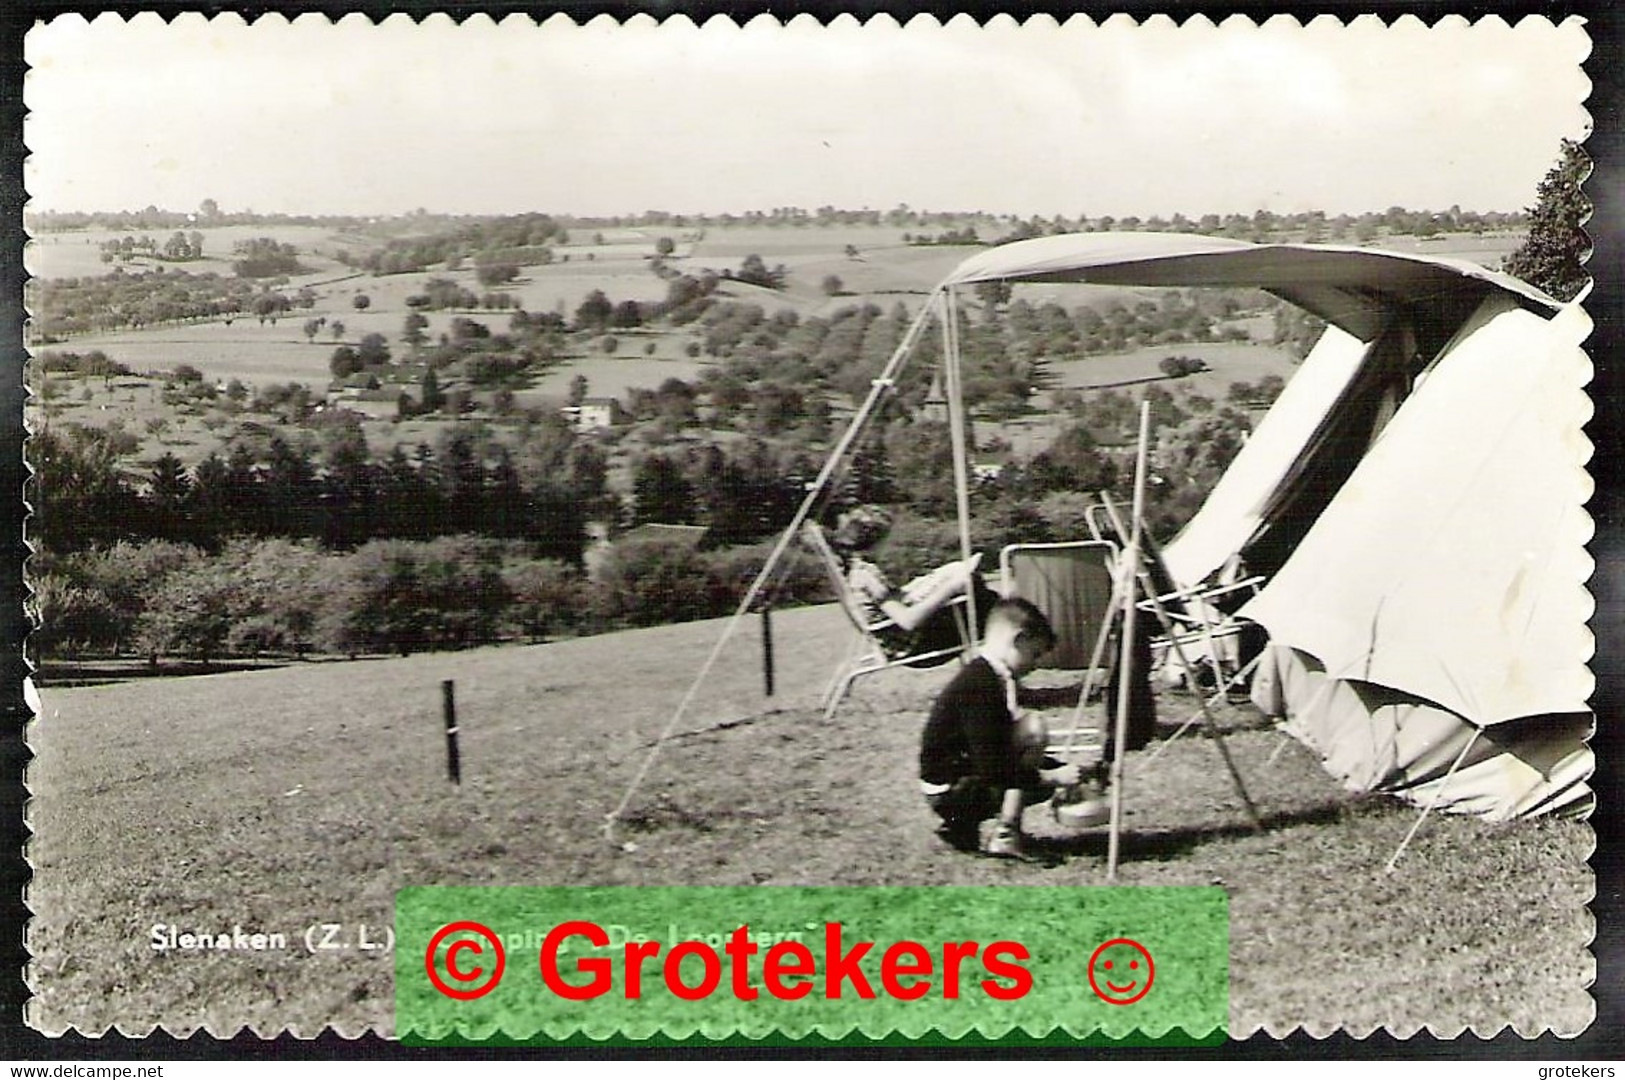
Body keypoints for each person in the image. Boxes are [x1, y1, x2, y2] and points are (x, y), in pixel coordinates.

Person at [918, 597, 1104, 859]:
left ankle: (963, 828)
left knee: (1028, 741)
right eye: (1034, 654)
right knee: (1033, 728)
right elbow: (993, 767)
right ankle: (1003, 834)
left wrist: (1063, 768)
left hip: (953, 780)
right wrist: (1053, 777)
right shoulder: (979, 685)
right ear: (1019, 640)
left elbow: (1000, 749)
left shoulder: (985, 674)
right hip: (950, 793)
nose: (1035, 664)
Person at [829, 504, 997, 664]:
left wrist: (928, 582)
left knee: (967, 580)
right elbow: (907, 620)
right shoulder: (867, 576)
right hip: (916, 647)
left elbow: (896, 601)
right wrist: (951, 586)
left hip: (907, 642)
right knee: (992, 607)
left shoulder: (860, 570)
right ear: (878, 539)